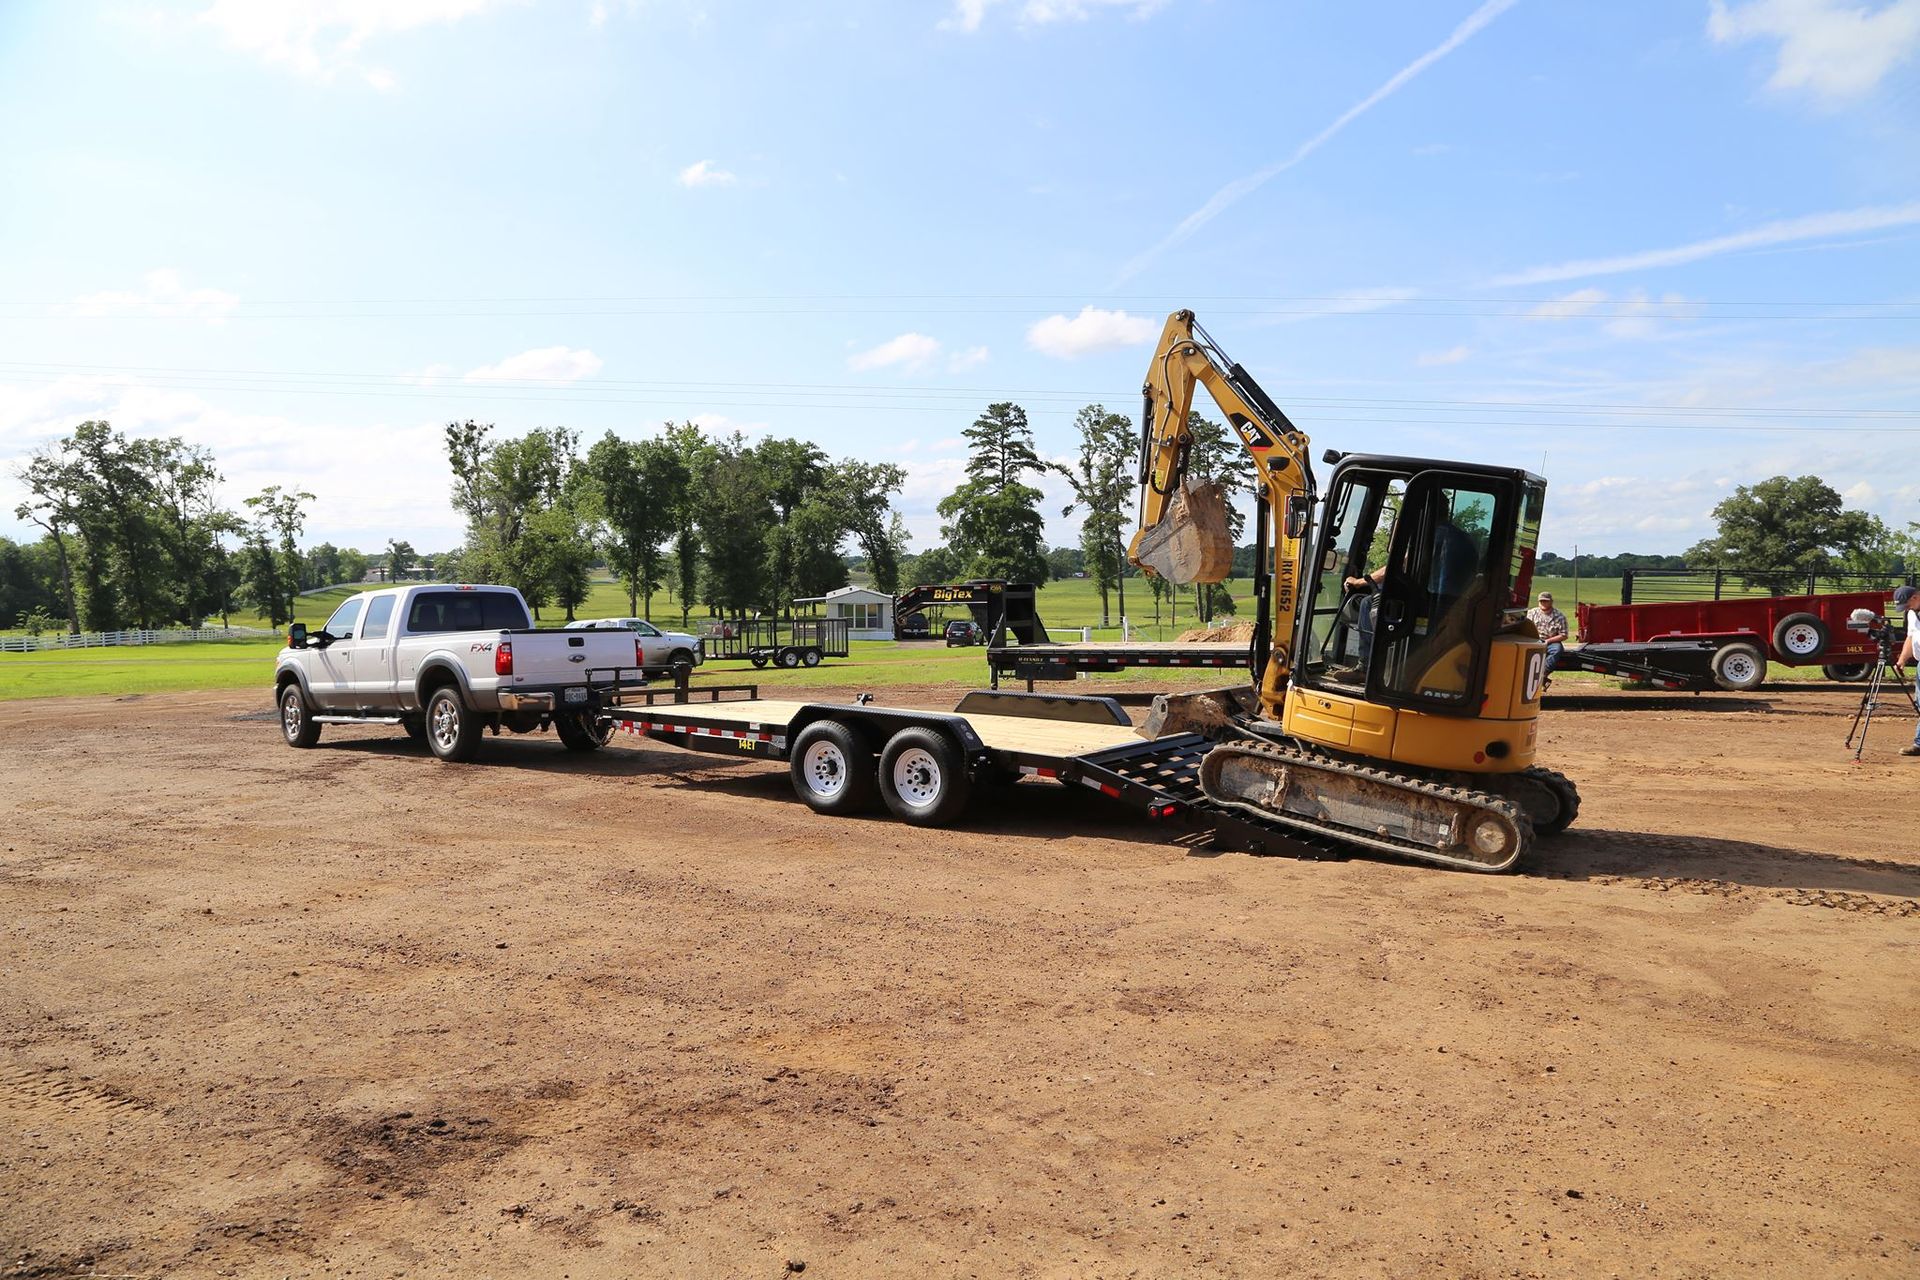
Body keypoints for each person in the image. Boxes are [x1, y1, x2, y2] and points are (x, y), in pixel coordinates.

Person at [1895, 584, 1919, 758]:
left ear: (1915, 597)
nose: (1906, 609)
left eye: (1907, 604)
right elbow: (1911, 637)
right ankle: (1919, 743)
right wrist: (1902, 659)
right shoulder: (1912, 613)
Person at [1527, 590, 1569, 674]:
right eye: (1541, 601)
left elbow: (1564, 635)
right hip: (1534, 640)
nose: (1543, 603)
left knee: (1557, 649)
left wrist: (1548, 641)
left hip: (1551, 642)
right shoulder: (1531, 613)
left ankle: (1544, 671)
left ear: (1551, 602)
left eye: (1546, 601)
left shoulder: (1559, 616)